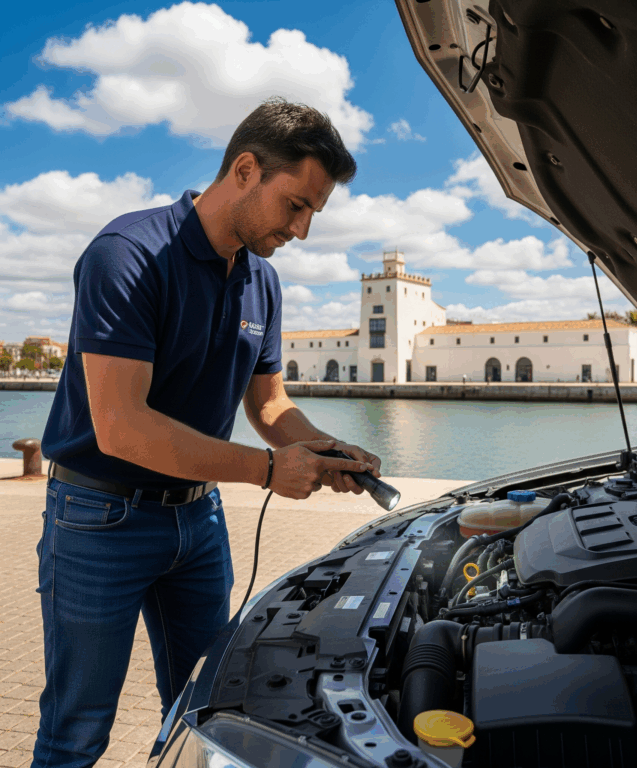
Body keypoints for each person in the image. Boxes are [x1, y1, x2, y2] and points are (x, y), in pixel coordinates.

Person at [33, 98, 382, 768]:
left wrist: (319, 447)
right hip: (98, 518)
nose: (303, 230)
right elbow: (120, 426)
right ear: (245, 169)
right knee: (77, 730)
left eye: (314, 212)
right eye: (296, 205)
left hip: (198, 523)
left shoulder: (263, 281)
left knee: (209, 711)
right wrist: (267, 471)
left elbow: (272, 405)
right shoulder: (127, 254)